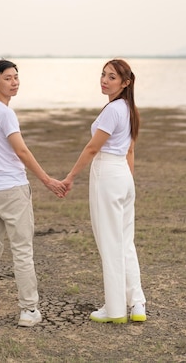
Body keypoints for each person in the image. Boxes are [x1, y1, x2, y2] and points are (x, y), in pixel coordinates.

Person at [0, 59, 66, 327]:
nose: (15, 82)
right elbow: (21, 151)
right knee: (22, 251)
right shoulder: (4, 113)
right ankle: (28, 310)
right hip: (12, 190)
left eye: (16, 77)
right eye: (8, 78)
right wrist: (47, 180)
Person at [62, 58, 146, 324]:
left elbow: (91, 148)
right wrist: (128, 182)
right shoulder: (130, 109)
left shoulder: (113, 111)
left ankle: (115, 309)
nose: (104, 80)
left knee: (110, 243)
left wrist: (70, 177)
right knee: (124, 242)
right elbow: (130, 151)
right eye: (103, 75)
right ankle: (137, 304)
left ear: (126, 82)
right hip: (122, 175)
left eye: (112, 77)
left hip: (109, 175)